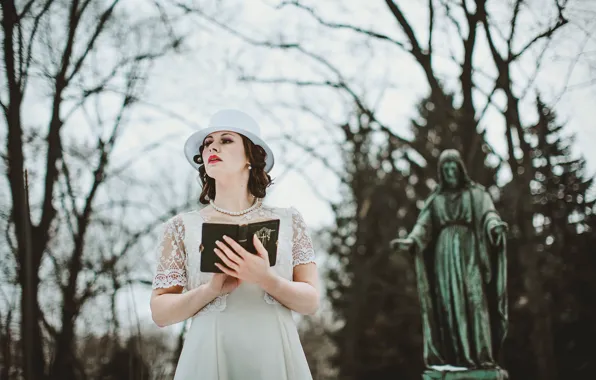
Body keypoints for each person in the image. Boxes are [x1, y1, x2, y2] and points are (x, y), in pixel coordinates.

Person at [150, 109, 319, 380]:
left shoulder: (289, 221)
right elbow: (160, 312)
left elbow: (311, 301)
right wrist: (211, 290)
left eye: (226, 140)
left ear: (251, 157)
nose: (213, 146)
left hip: (274, 354)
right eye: (207, 143)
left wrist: (266, 278)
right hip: (209, 355)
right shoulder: (181, 227)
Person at [391, 149, 508, 370]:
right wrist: (411, 241)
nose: (450, 172)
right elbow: (423, 226)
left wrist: (494, 227)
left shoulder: (476, 194)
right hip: (444, 256)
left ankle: (483, 356)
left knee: (475, 300)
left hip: (469, 251)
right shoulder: (436, 200)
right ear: (441, 173)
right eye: (446, 169)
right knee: (450, 304)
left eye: (453, 167)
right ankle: (456, 358)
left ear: (460, 169)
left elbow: (488, 214)